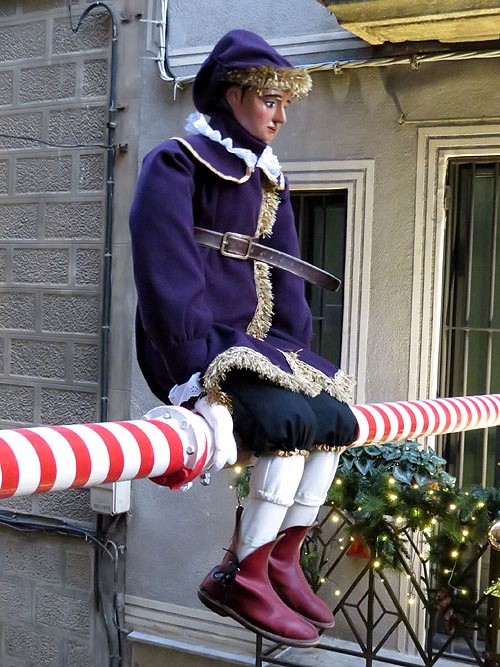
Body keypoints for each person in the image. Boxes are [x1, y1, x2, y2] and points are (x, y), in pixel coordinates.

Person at [129, 29, 359, 648]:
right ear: (233, 96)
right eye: (269, 101)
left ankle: (282, 558)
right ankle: (242, 573)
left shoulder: (268, 177)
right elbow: (164, 270)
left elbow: (286, 272)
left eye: (284, 104)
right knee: (287, 423)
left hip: (256, 345)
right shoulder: (177, 161)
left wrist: (295, 352)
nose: (280, 118)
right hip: (195, 341)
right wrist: (194, 369)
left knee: (334, 420)